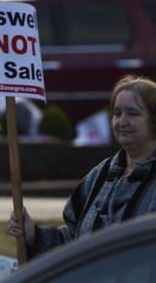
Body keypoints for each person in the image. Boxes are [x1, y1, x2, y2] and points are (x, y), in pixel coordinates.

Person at [9, 76, 156, 256]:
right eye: (117, 113)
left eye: (133, 113)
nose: (122, 122)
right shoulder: (101, 175)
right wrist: (34, 235)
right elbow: (74, 239)